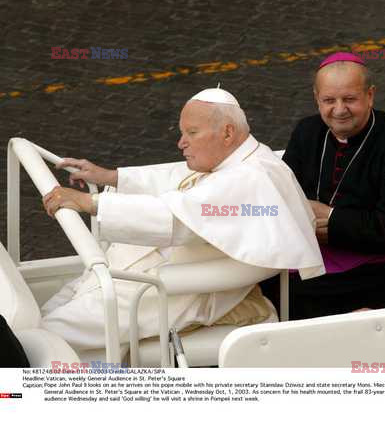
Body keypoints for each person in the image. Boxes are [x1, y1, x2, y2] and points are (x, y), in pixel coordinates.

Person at [40, 87, 325, 351]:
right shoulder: (235, 158)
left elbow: (177, 218)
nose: (181, 143)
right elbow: (174, 177)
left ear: (227, 133)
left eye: (191, 133)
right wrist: (111, 177)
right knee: (44, 316)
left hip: (178, 291)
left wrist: (91, 202)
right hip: (146, 272)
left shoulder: (252, 177)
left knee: (49, 336)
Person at [282, 52, 385, 319]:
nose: (338, 110)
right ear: (316, 98)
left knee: (292, 297)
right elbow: (284, 194)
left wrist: (332, 221)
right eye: (328, 100)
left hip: (376, 270)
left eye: (349, 99)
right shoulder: (307, 131)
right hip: (311, 255)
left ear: (370, 95)